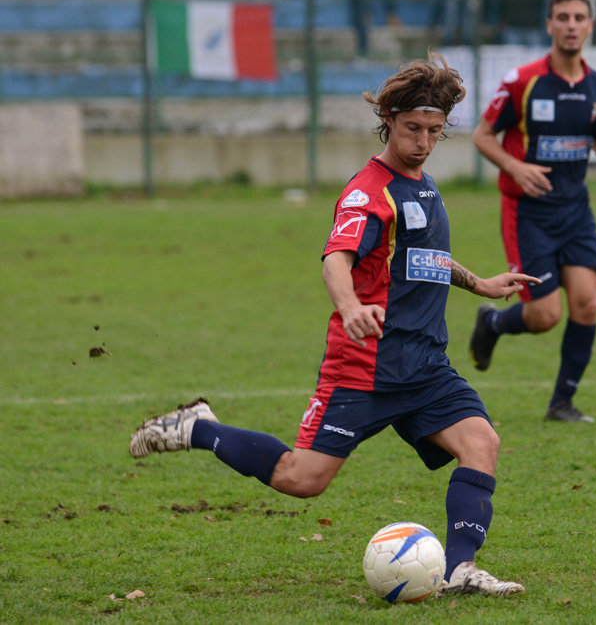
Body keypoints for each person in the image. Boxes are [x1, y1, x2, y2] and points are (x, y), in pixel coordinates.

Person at [129, 54, 536, 597]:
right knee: (302, 479)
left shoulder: (425, 185)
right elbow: (336, 261)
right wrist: (349, 308)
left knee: (481, 443)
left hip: (424, 365)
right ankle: (197, 428)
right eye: (412, 128)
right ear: (388, 119)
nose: (423, 141)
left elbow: (423, 259)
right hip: (364, 366)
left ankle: (460, 569)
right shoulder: (368, 192)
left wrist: (479, 283)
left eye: (434, 130)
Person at [469, 0, 596, 423]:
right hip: (528, 213)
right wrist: (515, 167)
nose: (571, 25)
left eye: (579, 18)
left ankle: (562, 403)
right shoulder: (523, 81)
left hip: (576, 212)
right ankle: (492, 323)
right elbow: (482, 135)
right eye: (563, 18)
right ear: (549, 25)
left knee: (588, 303)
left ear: (590, 26)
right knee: (544, 315)